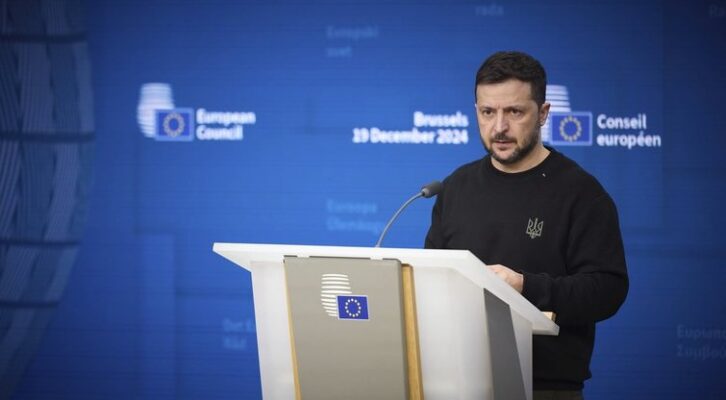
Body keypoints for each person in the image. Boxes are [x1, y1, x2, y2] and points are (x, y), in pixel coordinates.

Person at [425, 51, 628, 399]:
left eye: (514, 112)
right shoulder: (455, 187)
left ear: (543, 113)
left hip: (545, 386)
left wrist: (524, 286)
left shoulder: (581, 193)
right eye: (488, 112)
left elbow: (608, 290)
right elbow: (431, 280)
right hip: (456, 381)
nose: (499, 127)